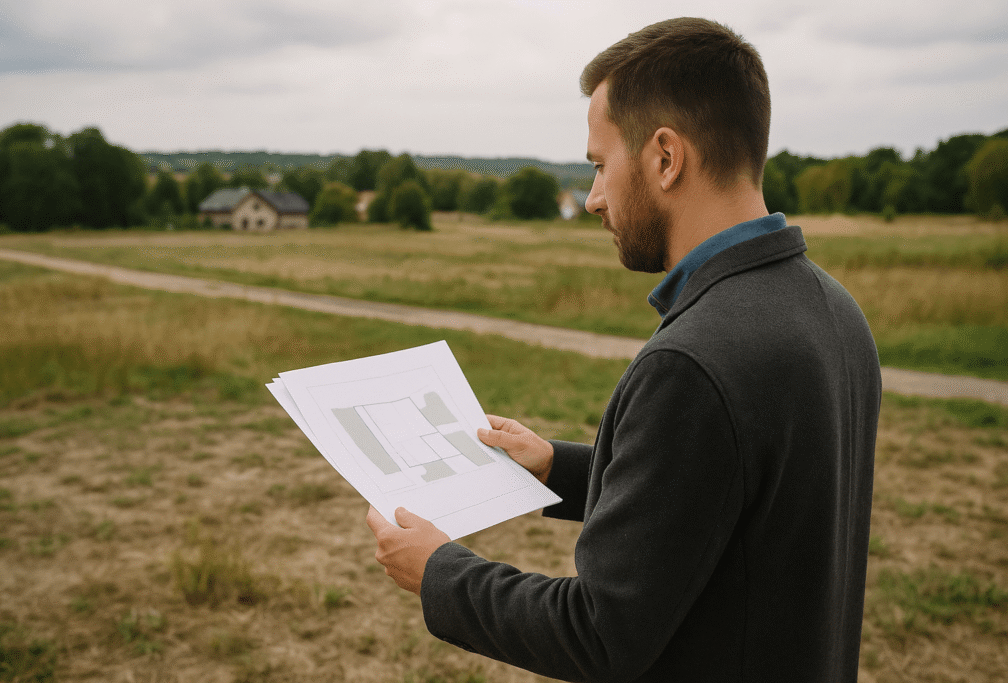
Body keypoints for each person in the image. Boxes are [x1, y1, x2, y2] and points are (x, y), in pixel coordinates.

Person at [367, 17, 881, 682]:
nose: (593, 198)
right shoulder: (832, 309)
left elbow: (600, 633)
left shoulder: (693, 363)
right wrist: (556, 467)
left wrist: (440, 572)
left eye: (600, 165)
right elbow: (715, 496)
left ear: (666, 158)